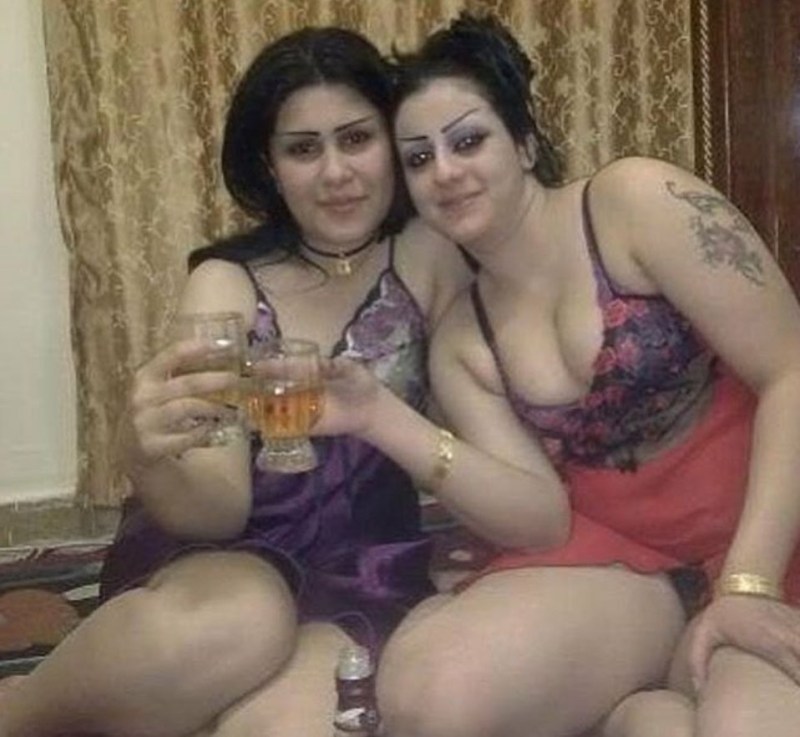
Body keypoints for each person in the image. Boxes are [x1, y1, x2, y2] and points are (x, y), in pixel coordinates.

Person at [325, 12, 800, 737]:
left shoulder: (636, 203)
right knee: (433, 697)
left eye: (468, 140)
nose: (445, 171)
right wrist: (376, 415)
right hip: (626, 563)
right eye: (418, 159)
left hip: (769, 531)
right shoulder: (462, 342)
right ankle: (648, 700)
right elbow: (541, 519)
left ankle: (653, 711)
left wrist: (748, 581)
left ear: (523, 141)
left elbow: (792, 369)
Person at [0, 27, 472, 737]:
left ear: (392, 139)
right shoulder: (226, 283)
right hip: (224, 560)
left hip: (363, 564)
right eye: (303, 149)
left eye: (356, 138)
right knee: (242, 622)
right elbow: (216, 511)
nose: (336, 172)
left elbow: (485, 423)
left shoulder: (434, 259)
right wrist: (143, 457)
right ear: (270, 167)